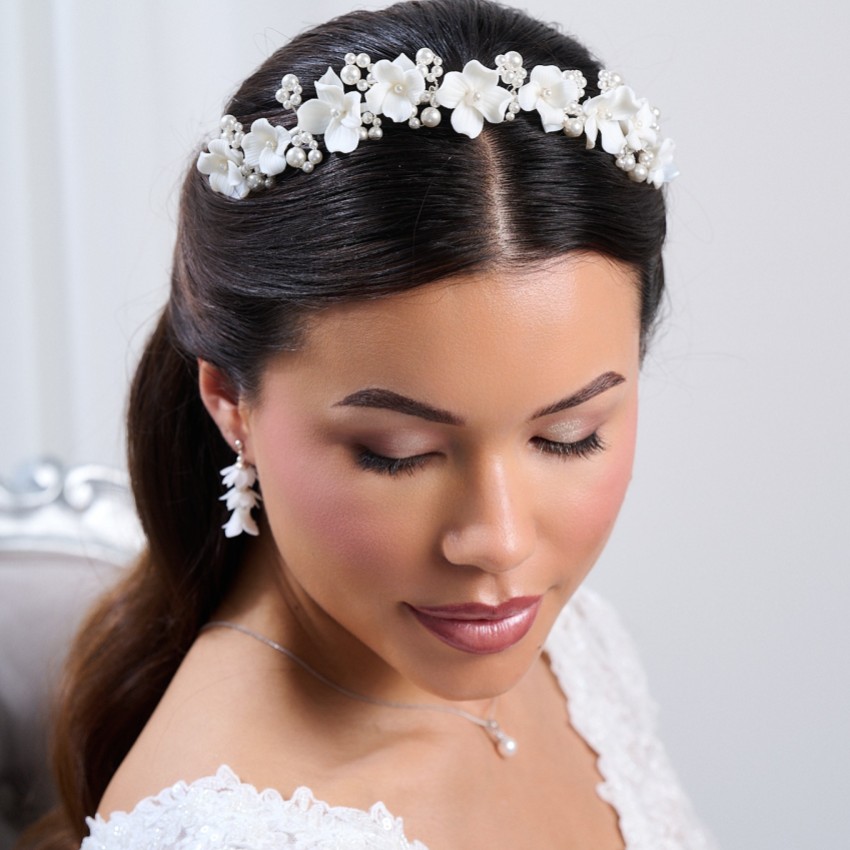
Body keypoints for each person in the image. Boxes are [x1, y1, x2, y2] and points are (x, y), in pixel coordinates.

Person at [21, 0, 714, 847]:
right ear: (229, 403)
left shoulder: (575, 647)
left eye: (568, 435)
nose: (497, 541)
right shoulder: (217, 830)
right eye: (400, 454)